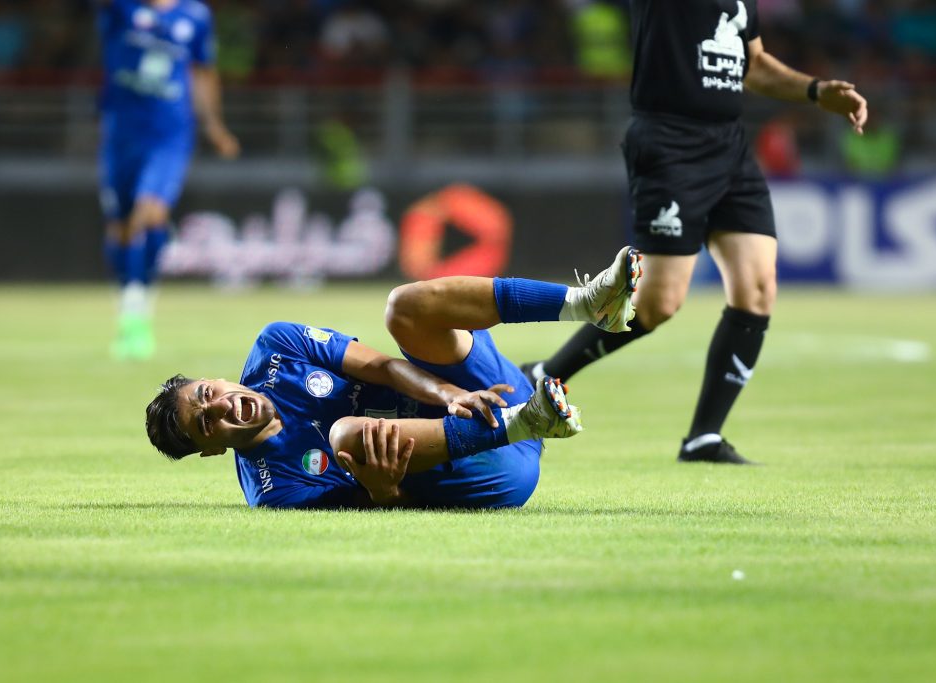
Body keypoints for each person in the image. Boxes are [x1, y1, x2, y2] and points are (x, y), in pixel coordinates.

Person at [523, 0, 868, 465]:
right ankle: (546, 372)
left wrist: (815, 90)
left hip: (729, 147)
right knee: (658, 303)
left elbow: (754, 64)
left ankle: (704, 437)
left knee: (758, 289)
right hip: (670, 144)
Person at [145, 247, 642, 509]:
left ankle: (585, 303)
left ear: (212, 379)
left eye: (206, 394)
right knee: (345, 435)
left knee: (402, 306)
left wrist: (450, 393)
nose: (221, 405)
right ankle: (528, 422)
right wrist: (384, 492)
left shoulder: (276, 346)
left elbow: (381, 365)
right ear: (212, 450)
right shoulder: (275, 491)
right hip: (490, 471)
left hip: (486, 392)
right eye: (206, 423)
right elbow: (384, 506)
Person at [97, 0, 240, 360]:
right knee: (121, 228)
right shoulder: (120, 8)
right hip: (121, 134)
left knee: (151, 212)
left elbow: (203, 71)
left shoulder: (195, 16)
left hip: (170, 136)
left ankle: (138, 308)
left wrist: (214, 125)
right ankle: (130, 301)